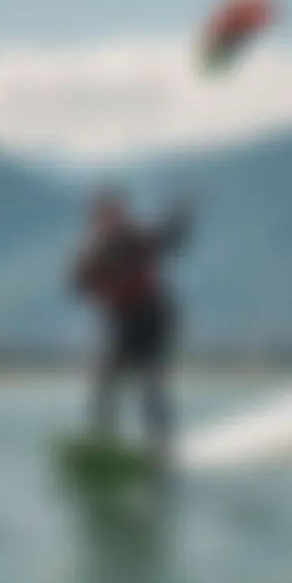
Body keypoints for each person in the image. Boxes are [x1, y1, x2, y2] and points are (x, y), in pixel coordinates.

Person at [71, 187, 194, 464]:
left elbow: (172, 239)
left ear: (120, 215)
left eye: (111, 215)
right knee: (104, 383)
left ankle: (163, 449)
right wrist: (89, 276)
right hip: (121, 322)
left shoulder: (137, 240)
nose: (106, 221)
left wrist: (182, 215)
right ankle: (104, 443)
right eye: (100, 217)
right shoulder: (92, 252)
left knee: (150, 385)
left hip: (154, 319)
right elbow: (76, 283)